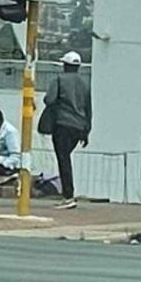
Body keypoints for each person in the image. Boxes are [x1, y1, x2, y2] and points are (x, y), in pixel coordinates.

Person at [46, 50, 93, 210]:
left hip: (63, 124)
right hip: (79, 127)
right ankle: (67, 195)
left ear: (65, 65)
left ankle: (68, 196)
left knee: (63, 159)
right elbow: (88, 108)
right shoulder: (85, 83)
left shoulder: (59, 79)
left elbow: (49, 99)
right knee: (66, 157)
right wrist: (86, 131)